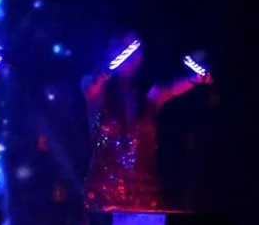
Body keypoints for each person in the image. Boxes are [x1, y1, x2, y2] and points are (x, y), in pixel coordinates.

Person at [80, 33, 209, 211]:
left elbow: (171, 87)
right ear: (109, 50)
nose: (129, 54)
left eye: (134, 48)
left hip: (145, 200)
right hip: (102, 199)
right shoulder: (97, 92)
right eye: (121, 46)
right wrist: (105, 70)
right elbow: (90, 84)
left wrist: (200, 77)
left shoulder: (150, 98)